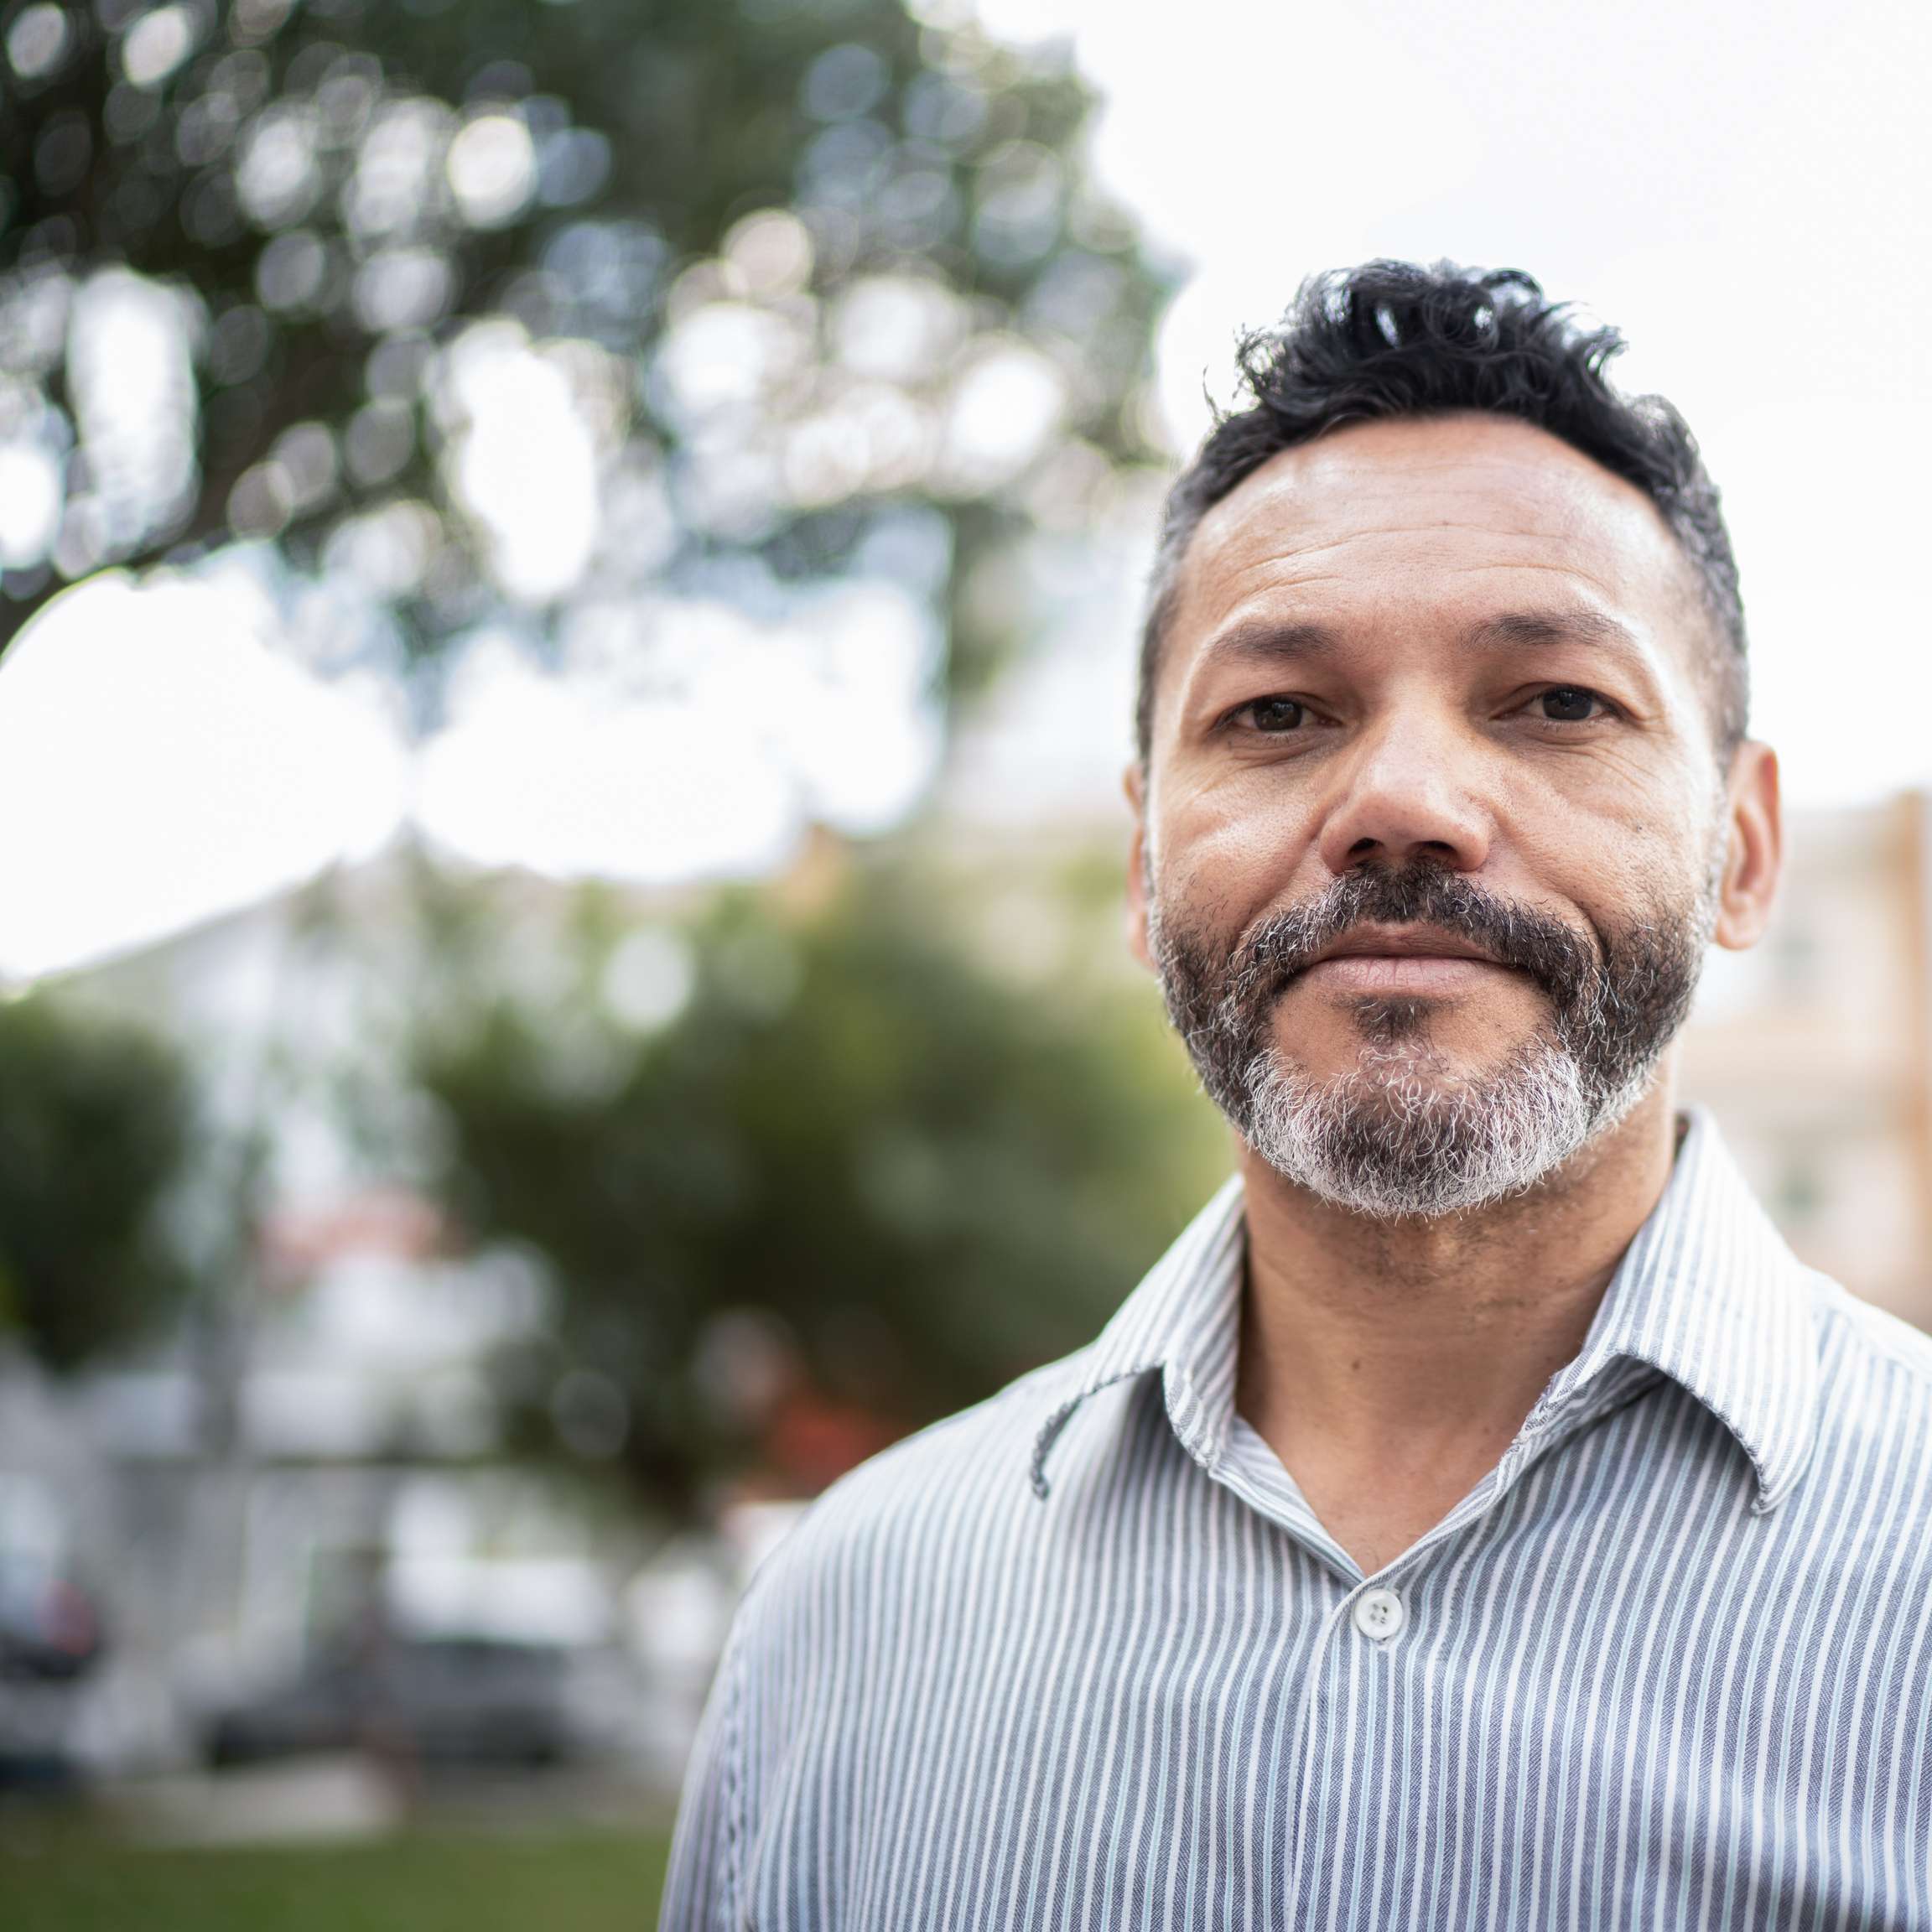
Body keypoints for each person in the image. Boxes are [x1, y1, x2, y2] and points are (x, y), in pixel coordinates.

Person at [657, 262, 1932, 1930]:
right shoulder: (846, 1619)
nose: (1402, 802)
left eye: (1557, 701)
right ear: (1141, 861)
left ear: (1743, 849)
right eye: (1276, 713)